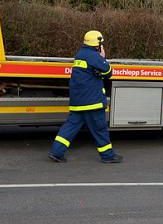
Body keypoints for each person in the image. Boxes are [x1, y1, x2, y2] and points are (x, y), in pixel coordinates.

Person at [49, 30, 123, 164]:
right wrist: (103, 57)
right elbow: (108, 72)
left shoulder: (80, 54)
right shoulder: (94, 56)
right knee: (100, 129)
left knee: (70, 127)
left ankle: (56, 152)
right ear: (98, 43)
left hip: (78, 101)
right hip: (92, 101)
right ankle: (107, 155)